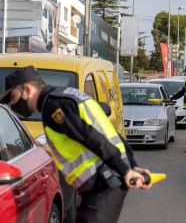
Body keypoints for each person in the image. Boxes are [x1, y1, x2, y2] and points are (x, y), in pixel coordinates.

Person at [0, 66, 151, 223]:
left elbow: (91, 137)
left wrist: (126, 170)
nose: (12, 103)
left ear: (26, 90)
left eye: (13, 96)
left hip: (103, 183)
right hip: (105, 181)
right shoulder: (68, 96)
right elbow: (114, 135)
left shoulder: (53, 105)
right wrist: (131, 166)